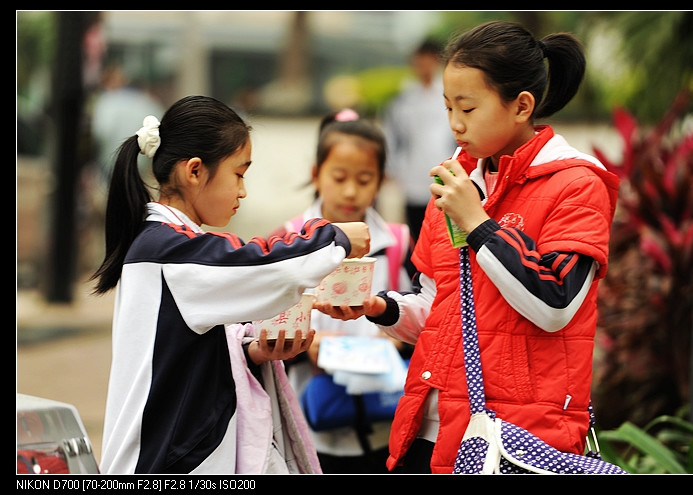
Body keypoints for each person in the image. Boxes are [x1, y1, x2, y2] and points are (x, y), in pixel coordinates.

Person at [315, 21, 620, 474]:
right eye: (448, 107)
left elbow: (555, 306)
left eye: (469, 108)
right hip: (429, 425)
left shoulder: (576, 184)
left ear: (521, 106)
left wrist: (477, 222)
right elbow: (439, 310)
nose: (455, 124)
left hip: (516, 438)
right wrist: (379, 307)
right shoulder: (457, 180)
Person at [90, 95, 371, 474]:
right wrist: (333, 238)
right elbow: (266, 265)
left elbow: (189, 351)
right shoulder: (171, 250)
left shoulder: (164, 243)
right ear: (194, 171)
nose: (242, 190)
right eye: (238, 174)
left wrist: (255, 350)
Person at [271, 109, 414, 473]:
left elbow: (422, 312)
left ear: (381, 180)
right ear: (316, 174)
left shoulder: (397, 241)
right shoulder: (285, 241)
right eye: (339, 177)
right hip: (311, 416)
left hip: (386, 417)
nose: (351, 191)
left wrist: (396, 340)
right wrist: (307, 347)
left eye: (365, 179)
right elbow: (265, 325)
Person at [382, 39, 457, 248]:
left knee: (444, 234)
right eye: (419, 61)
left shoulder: (448, 96)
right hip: (413, 176)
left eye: (428, 60)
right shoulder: (404, 100)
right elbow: (393, 137)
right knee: (416, 233)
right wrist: (390, 168)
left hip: (444, 171)